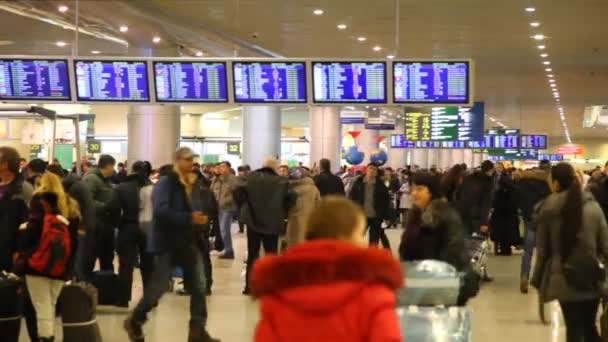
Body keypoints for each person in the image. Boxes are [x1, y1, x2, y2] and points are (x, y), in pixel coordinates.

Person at [250, 196, 403, 342]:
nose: (364, 241)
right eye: (360, 233)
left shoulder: (278, 290)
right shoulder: (374, 291)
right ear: (347, 237)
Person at [124, 147, 219, 342]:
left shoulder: (190, 183)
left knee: (200, 287)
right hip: (168, 243)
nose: (190, 163)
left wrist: (196, 219)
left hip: (188, 242)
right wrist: (189, 218)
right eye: (186, 159)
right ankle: (135, 319)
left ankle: (197, 330)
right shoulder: (167, 182)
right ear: (177, 160)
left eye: (192, 159)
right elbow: (161, 211)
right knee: (158, 288)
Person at [531, 163, 608, 342]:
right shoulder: (593, 207)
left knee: (573, 327)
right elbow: (605, 245)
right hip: (591, 275)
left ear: (556, 183)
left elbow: (542, 250)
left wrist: (537, 279)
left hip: (563, 276)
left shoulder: (547, 209)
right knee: (589, 327)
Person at [17, 172, 80, 342]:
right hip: (61, 265)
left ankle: (46, 338)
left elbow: (32, 233)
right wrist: (69, 267)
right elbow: (74, 241)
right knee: (50, 305)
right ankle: (48, 335)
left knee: (42, 306)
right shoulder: (70, 204)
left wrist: (22, 250)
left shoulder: (40, 203)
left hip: (38, 263)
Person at [235, 157, 294, 295]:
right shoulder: (281, 181)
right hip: (272, 222)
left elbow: (237, 192)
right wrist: (283, 211)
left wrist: (244, 206)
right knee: (271, 255)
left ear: (263, 165)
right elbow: (291, 198)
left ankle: (249, 286)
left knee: (252, 254)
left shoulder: (251, 178)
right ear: (275, 167)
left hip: (253, 221)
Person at [399, 172, 466, 270]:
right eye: (413, 189)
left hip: (439, 275)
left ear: (431, 192)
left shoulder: (445, 215)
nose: (414, 193)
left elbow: (454, 251)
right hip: (416, 274)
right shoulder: (415, 215)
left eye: (419, 189)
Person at [114, 161, 154, 307]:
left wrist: (119, 224)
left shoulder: (122, 188)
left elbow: (114, 209)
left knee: (126, 264)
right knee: (148, 264)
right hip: (148, 228)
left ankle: (123, 299)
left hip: (128, 227)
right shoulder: (152, 188)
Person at [516, 168, 551, 294]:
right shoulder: (546, 187)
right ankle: (541, 280)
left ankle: (524, 276)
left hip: (529, 221)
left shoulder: (522, 186)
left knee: (528, 252)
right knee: (543, 253)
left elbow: (518, 203)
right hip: (543, 222)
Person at [83, 154, 118, 272]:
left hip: (106, 224)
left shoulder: (105, 180)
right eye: (113, 166)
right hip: (96, 224)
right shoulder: (92, 179)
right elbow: (87, 200)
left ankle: (106, 284)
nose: (113, 169)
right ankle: (85, 283)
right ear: (107, 166)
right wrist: (105, 207)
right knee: (90, 257)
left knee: (107, 257)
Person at [0, 147, 32, 271]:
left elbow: (30, 224)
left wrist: (20, 250)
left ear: (5, 164)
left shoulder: (23, 189)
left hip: (10, 252)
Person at [349, 163, 391, 249]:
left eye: (374, 169)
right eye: (370, 168)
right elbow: (352, 198)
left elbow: (386, 202)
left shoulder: (381, 185)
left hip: (376, 216)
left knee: (374, 240)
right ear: (366, 170)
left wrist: (387, 216)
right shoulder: (358, 183)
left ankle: (372, 257)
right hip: (362, 215)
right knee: (357, 237)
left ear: (376, 172)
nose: (372, 171)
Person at [286, 167, 321, 246]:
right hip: (309, 221)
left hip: (293, 221)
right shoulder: (313, 189)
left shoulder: (288, 189)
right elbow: (319, 205)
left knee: (293, 245)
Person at [210, 161, 237, 259]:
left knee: (224, 230)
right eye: (220, 166)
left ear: (229, 168)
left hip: (227, 207)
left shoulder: (232, 179)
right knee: (221, 230)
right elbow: (212, 190)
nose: (221, 168)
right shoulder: (216, 179)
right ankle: (227, 249)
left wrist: (225, 201)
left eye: (223, 166)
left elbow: (235, 193)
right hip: (218, 207)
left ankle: (229, 251)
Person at [236, 165, 251, 234]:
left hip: (245, 200)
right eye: (239, 171)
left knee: (245, 215)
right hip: (239, 199)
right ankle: (241, 229)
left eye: (242, 171)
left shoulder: (249, 178)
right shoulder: (238, 178)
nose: (241, 172)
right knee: (240, 215)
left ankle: (246, 229)